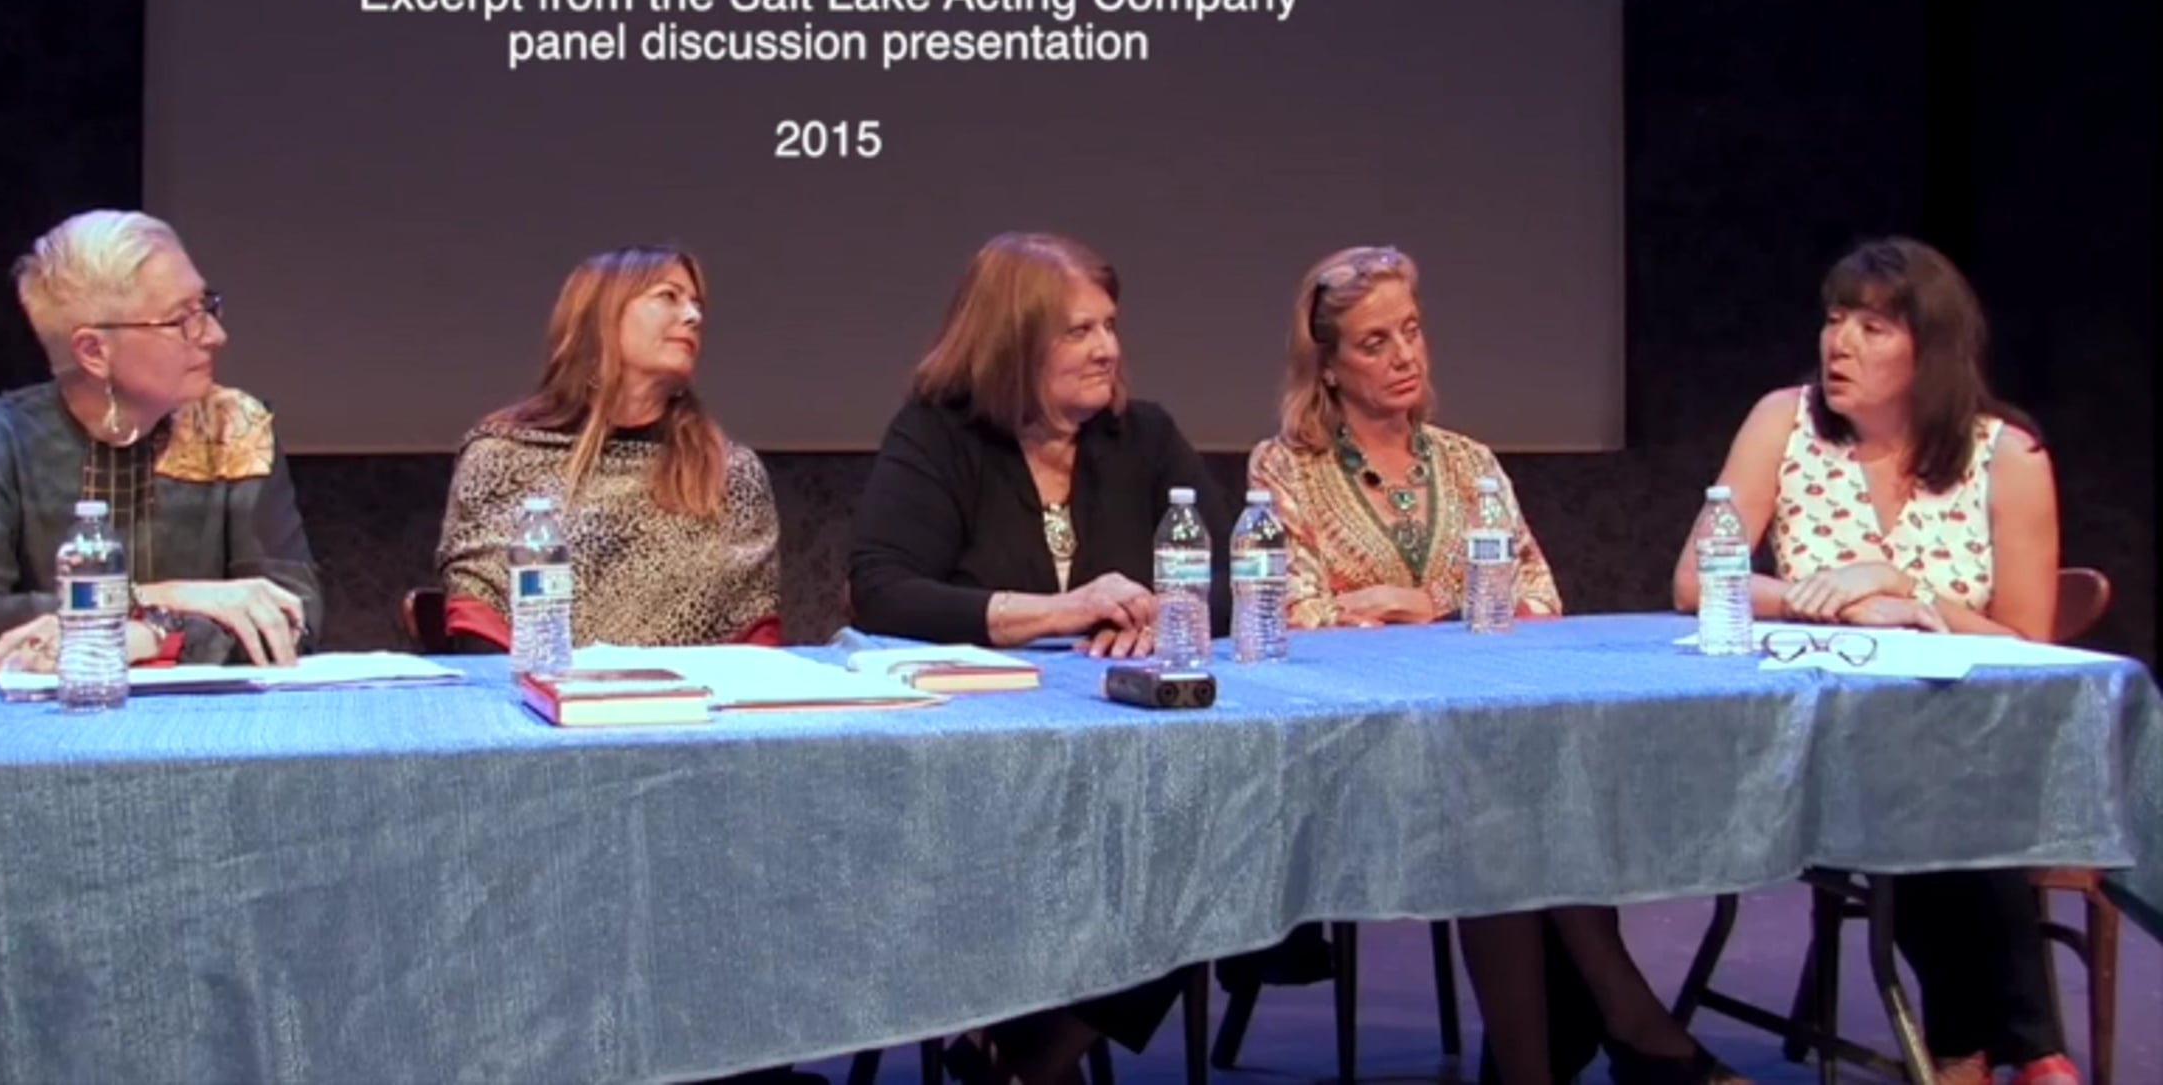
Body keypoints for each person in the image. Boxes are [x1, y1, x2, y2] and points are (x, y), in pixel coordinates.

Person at [1253, 246, 1743, 1085]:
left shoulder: (1470, 462)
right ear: (1327, 366)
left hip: (1483, 739)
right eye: (1374, 342)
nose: (1404, 355)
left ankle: (1553, 1060)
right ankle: (1634, 1027)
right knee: (1507, 794)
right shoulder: (1286, 467)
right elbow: (1292, 616)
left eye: (1412, 330)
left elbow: (1540, 598)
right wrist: (1450, 610)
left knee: (1506, 786)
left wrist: (1418, 605)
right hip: (1355, 748)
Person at [1674, 237, 2077, 1085]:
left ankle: (1969, 1048)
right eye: (1834, 320)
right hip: (1820, 745)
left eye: (1872, 326)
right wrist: (1826, 596)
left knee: (1940, 774)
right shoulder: (1783, 422)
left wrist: (1908, 592)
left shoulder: (2008, 457)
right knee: (1914, 775)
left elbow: (2030, 651)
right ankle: (2023, 1049)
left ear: (1932, 349)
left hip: (1980, 745)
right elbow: (1695, 579)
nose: (1840, 343)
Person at [845, 231, 1230, 1085]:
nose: (1108, 348)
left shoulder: (1145, 437)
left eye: (1110, 325)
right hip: (979, 761)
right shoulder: (938, 436)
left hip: (1131, 766)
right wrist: (1063, 610)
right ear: (1013, 344)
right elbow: (882, 590)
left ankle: (1026, 1060)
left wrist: (1165, 611)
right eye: (1079, 330)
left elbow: (1233, 576)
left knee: (1218, 829)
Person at [0, 209, 321, 674]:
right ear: (94, 351)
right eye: (182, 319)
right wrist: (161, 598)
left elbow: (294, 616)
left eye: (206, 307)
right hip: (46, 713)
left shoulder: (236, 428)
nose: (215, 335)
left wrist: (153, 635)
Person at [437, 246, 780, 650]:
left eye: (696, 304)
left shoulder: (728, 472)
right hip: (531, 687)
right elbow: (479, 613)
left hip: (698, 691)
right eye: (669, 296)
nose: (693, 316)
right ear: (603, 315)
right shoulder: (503, 456)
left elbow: (755, 635)